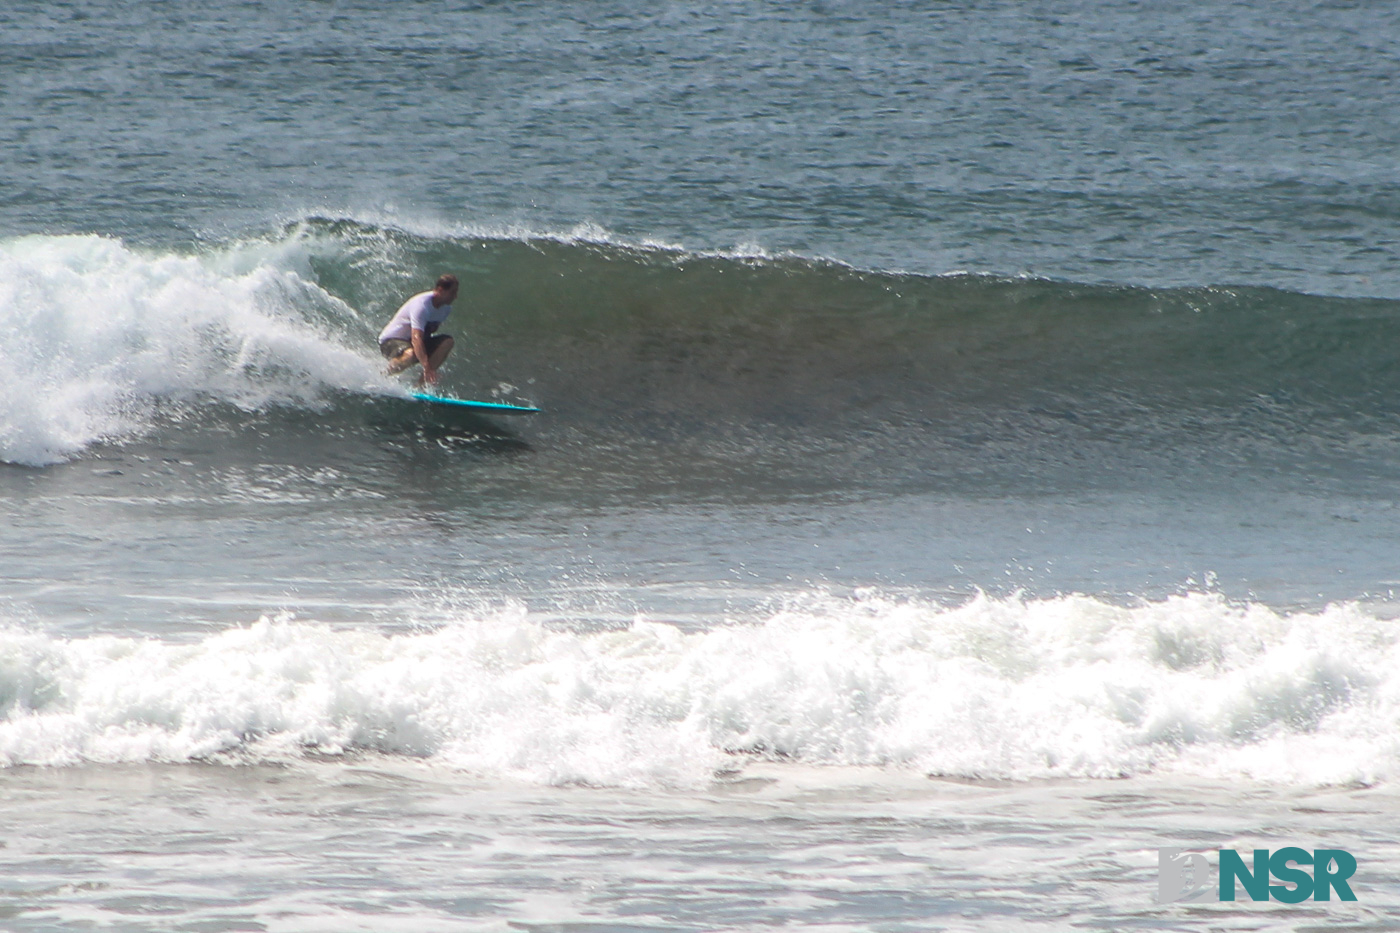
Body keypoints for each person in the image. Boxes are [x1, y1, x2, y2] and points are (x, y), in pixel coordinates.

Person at [378, 274, 459, 386]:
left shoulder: (446, 309)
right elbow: (417, 338)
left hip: (411, 343)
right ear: (440, 290)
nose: (455, 297)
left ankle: (420, 386)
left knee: (448, 342)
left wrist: (430, 359)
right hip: (391, 341)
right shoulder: (422, 305)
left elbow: (428, 333)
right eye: (452, 292)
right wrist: (426, 366)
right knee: (411, 354)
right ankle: (380, 377)